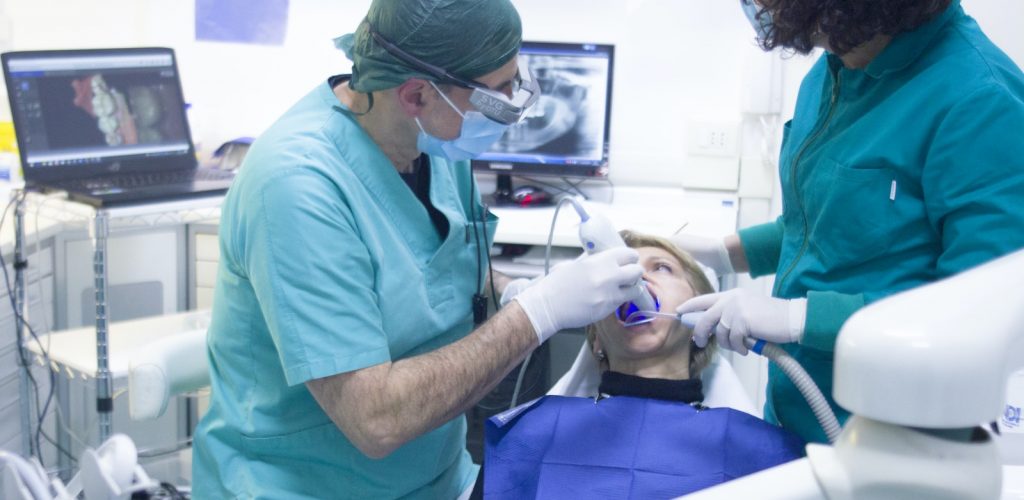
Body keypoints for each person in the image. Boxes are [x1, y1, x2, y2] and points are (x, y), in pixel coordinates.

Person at [191, 1, 646, 497]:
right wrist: (538, 314)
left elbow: (430, 267)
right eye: (496, 98)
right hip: (305, 485)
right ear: (415, 94)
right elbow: (376, 420)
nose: (511, 109)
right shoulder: (297, 187)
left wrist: (515, 288)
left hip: (439, 478)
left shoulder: (431, 141)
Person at [676, 0, 1024, 444]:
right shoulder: (835, 69)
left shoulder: (981, 101)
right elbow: (827, 221)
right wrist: (720, 252)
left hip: (893, 442)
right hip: (795, 415)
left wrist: (799, 319)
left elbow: (980, 314)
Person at [483, 232, 805, 498]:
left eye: (662, 268)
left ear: (704, 317)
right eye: (620, 276)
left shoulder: (765, 456)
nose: (636, 280)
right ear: (596, 340)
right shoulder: (527, 434)